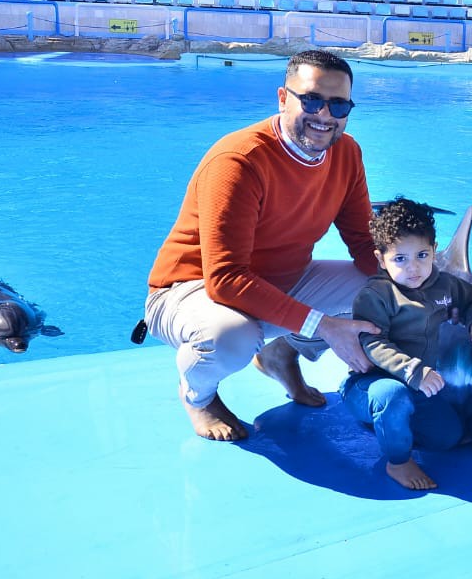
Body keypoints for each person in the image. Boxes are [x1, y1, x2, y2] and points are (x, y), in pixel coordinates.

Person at [145, 49, 380, 442]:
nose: (325, 115)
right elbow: (225, 279)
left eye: (339, 105)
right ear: (283, 98)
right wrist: (324, 326)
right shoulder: (239, 161)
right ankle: (198, 395)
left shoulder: (346, 153)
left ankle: (279, 353)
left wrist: (431, 282)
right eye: (312, 100)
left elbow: (363, 242)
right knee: (231, 338)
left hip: (282, 282)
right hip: (191, 290)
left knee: (387, 286)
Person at [345, 199, 472, 489]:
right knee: (392, 397)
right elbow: (373, 343)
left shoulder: (444, 285)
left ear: (434, 250)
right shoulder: (376, 294)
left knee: (448, 438)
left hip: (418, 387)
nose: (413, 268)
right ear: (381, 259)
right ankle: (398, 462)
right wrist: (414, 371)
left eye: (421, 255)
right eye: (400, 259)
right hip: (372, 383)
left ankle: (393, 423)